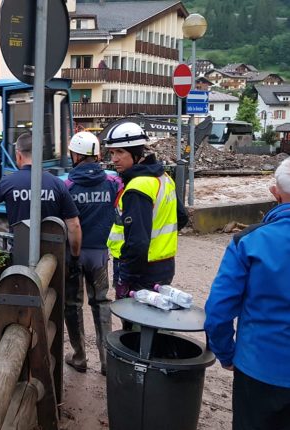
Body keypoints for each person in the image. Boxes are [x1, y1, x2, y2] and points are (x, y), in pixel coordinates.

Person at [204, 158, 290, 430]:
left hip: (259, 369)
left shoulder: (250, 241)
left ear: (275, 192)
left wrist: (226, 354)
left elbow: (218, 310)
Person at [104, 122, 188, 300]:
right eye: (112, 153)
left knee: (135, 323)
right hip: (164, 266)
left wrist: (125, 277)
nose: (114, 159)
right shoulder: (163, 177)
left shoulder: (138, 187)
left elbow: (138, 242)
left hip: (139, 271)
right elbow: (181, 217)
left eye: (120, 152)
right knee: (154, 320)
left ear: (136, 153)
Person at [63, 131, 122, 375]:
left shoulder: (66, 185)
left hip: (73, 255)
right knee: (101, 303)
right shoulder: (113, 182)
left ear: (75, 155)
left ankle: (79, 357)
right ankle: (107, 361)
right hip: (100, 255)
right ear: (97, 155)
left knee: (72, 304)